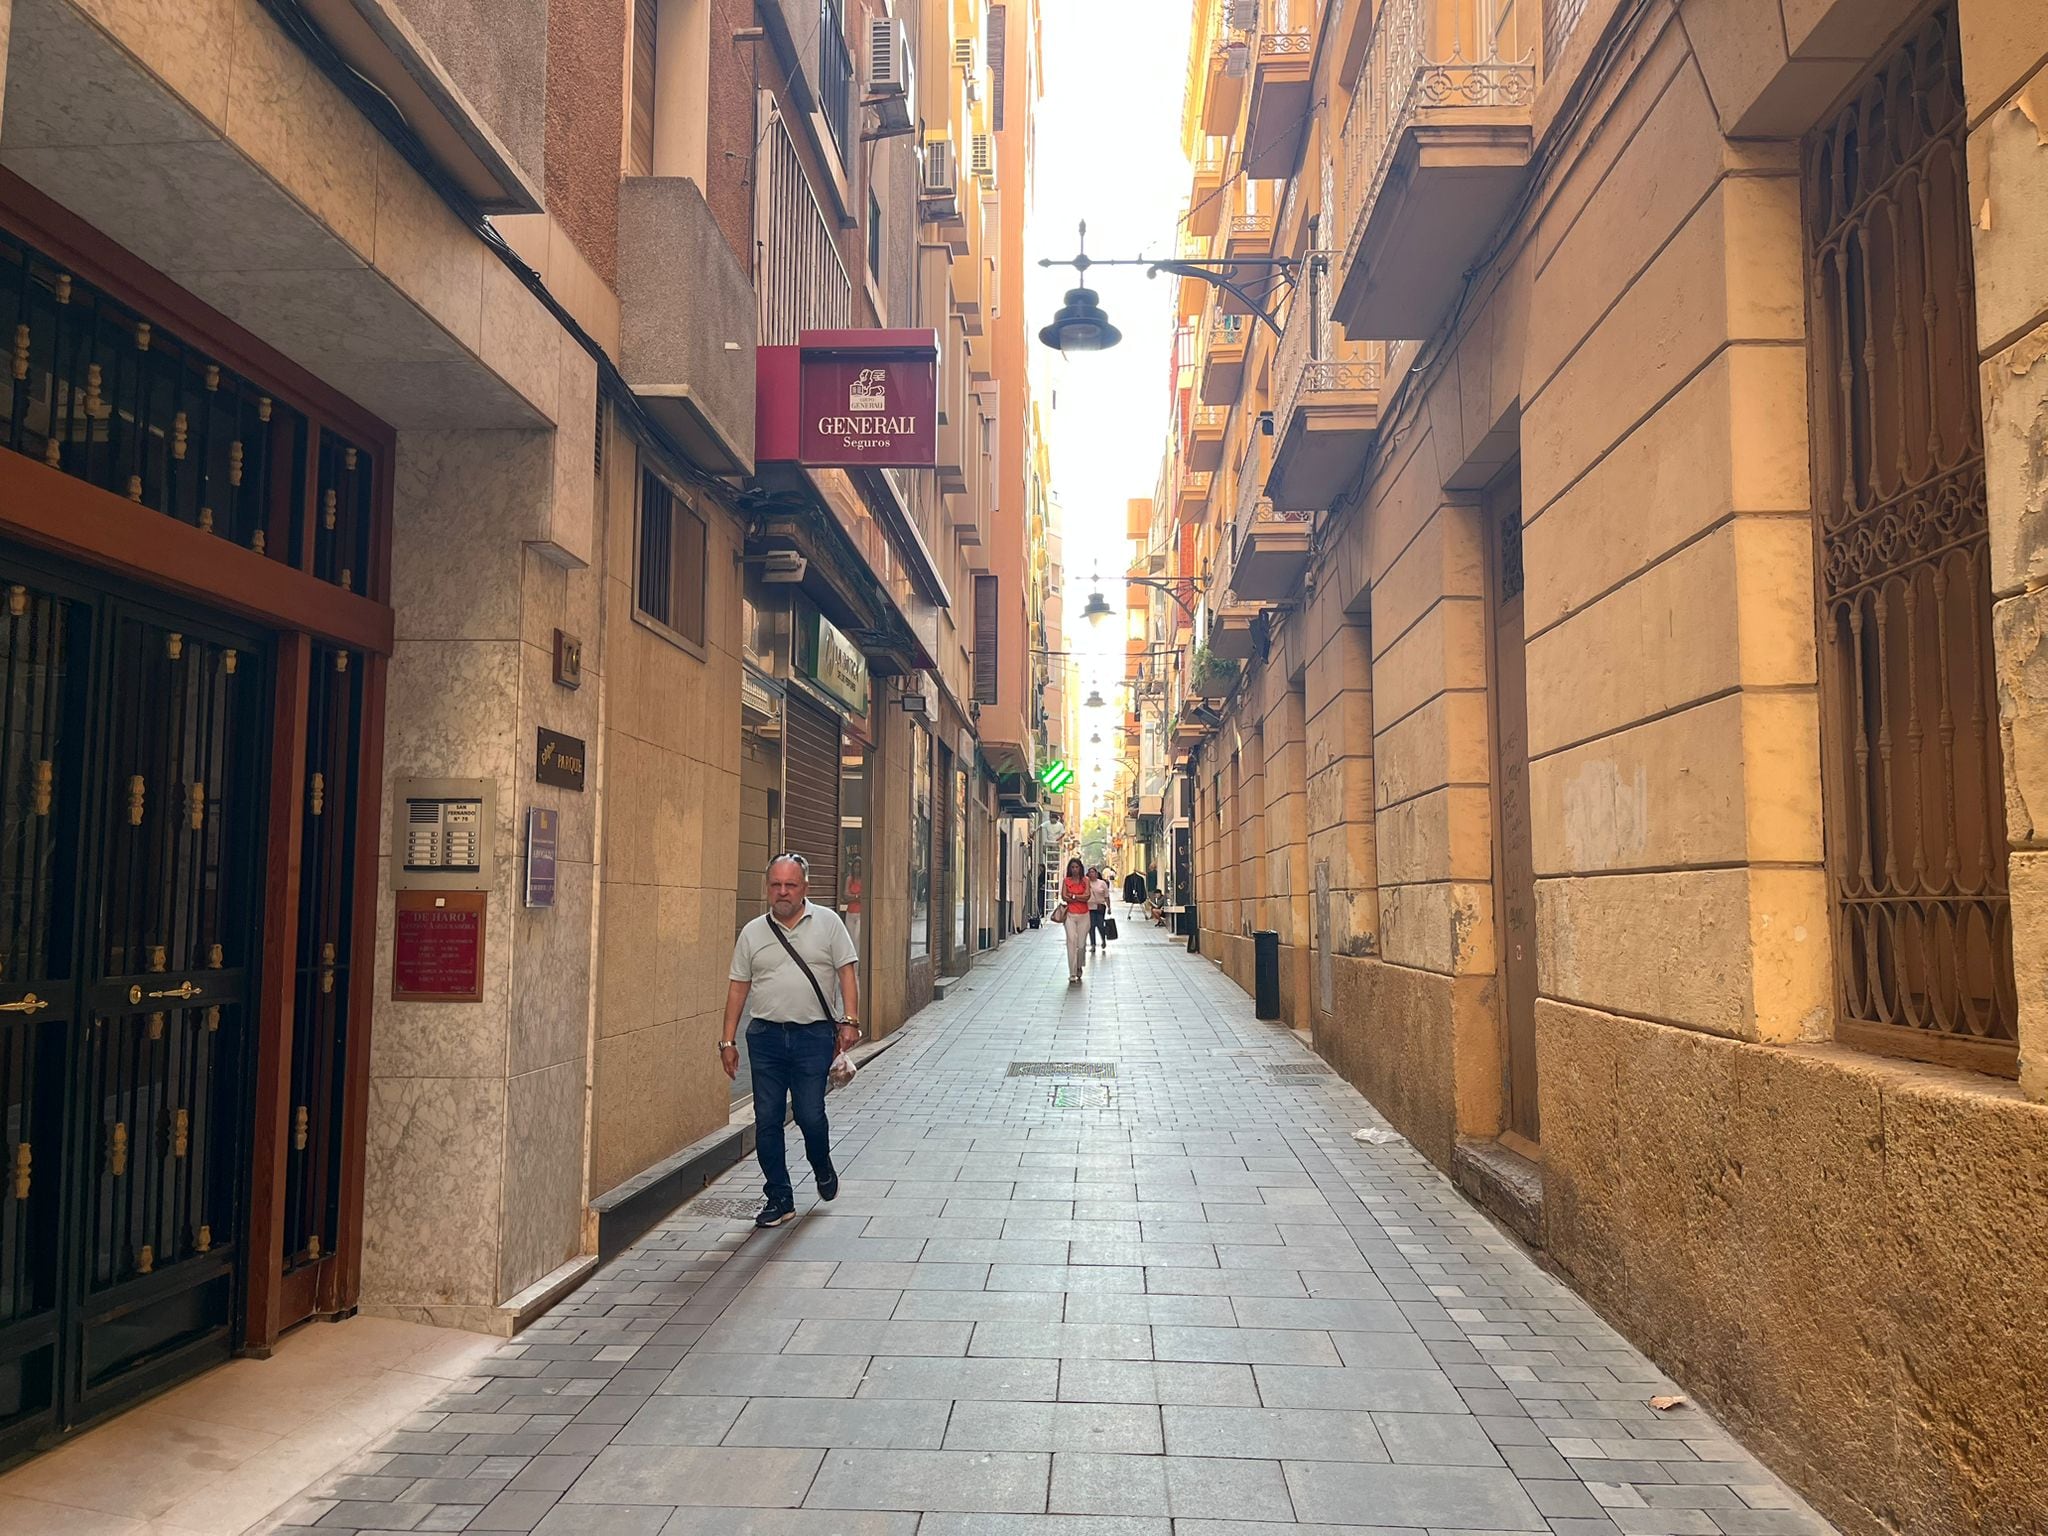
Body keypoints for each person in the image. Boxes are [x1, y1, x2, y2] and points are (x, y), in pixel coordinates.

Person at [721, 854, 862, 1228]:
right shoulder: (752, 932)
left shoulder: (828, 923)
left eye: (790, 885)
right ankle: (779, 1198)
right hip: (765, 1038)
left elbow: (846, 973)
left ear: (805, 888)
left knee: (809, 1114)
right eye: (776, 885)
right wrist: (727, 1041)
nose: (782, 892)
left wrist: (850, 1021)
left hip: (813, 1036)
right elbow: (738, 987)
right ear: (768, 888)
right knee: (767, 1119)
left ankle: (821, 1165)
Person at [1060, 857, 1092, 982]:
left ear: (1080, 868)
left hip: (1084, 915)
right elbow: (1064, 896)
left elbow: (1087, 896)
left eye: (1077, 867)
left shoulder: (1085, 880)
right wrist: (1079, 897)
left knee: (1081, 945)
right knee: (1071, 942)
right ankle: (1072, 972)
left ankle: (1079, 965)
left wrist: (1073, 896)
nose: (1074, 869)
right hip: (1070, 915)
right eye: (1072, 867)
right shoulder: (1066, 881)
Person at [1088, 866, 1112, 952]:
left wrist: (1109, 907)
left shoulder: (1102, 883)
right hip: (1089, 907)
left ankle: (1103, 939)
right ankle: (1093, 944)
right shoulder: (1086, 883)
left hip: (1100, 907)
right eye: (1090, 872)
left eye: (1093, 872)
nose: (1091, 874)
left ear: (1096, 873)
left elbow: (1106, 896)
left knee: (1100, 925)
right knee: (1091, 926)